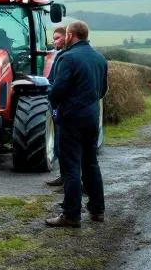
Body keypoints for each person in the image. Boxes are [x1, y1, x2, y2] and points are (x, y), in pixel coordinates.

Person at [45, 21, 109, 228]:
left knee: (71, 166)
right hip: (91, 117)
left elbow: (57, 90)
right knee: (91, 163)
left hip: (71, 117)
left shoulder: (68, 57)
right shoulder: (99, 58)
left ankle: (71, 214)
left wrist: (51, 96)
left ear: (70, 34)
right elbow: (102, 90)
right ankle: (97, 208)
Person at [44, 25, 69, 188]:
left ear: (67, 37)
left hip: (65, 108)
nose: (54, 42)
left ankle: (70, 182)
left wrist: (52, 97)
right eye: (53, 39)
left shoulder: (65, 58)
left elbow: (58, 84)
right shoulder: (58, 56)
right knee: (60, 146)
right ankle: (63, 176)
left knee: (67, 147)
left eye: (57, 38)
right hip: (58, 107)